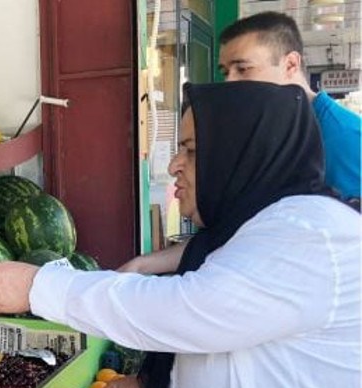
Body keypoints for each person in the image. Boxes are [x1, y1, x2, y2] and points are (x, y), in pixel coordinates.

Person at [0, 82, 360, 388]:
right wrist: (151, 386)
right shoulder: (253, 227)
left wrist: (39, 285)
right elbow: (232, 338)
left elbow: (192, 312)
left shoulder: (309, 234)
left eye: (193, 150)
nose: (175, 165)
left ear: (244, 153)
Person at [121, 11, 361, 275]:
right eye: (225, 72)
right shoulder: (256, 133)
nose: (230, 83)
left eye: (243, 69)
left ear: (291, 64)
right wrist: (144, 264)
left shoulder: (347, 139)